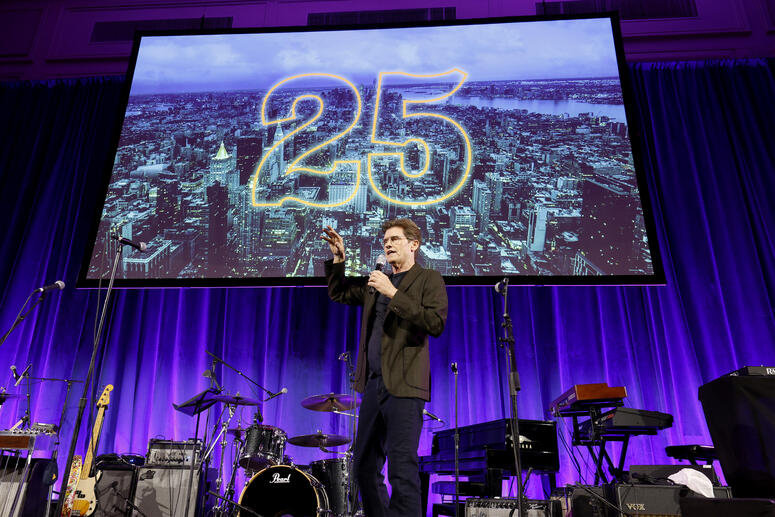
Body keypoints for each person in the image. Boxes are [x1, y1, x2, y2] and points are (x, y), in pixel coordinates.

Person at [322, 218, 448, 517]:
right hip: (374, 384)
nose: (387, 244)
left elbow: (435, 323)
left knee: (402, 467)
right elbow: (339, 293)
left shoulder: (427, 279)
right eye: (385, 241)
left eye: (394, 239)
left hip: (405, 385)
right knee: (363, 465)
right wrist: (339, 259)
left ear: (413, 244)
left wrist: (393, 293)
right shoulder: (376, 282)